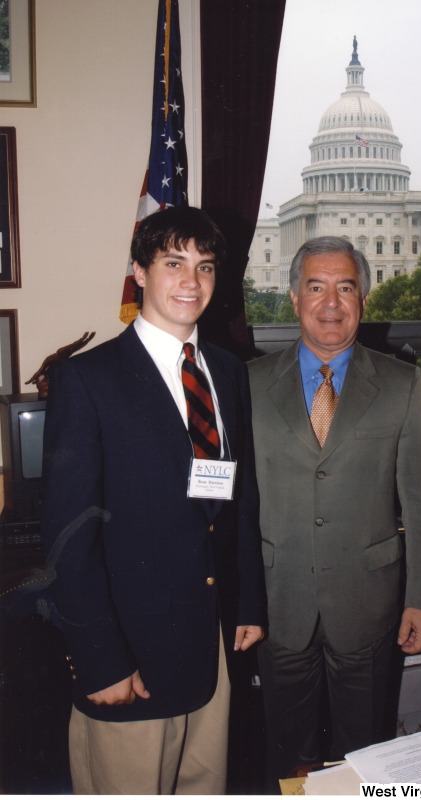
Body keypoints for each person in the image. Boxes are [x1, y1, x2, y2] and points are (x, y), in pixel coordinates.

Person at [41, 206, 266, 794]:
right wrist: (99, 657)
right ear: (139, 271)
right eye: (173, 263)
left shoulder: (227, 372)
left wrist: (248, 604)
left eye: (205, 267)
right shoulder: (87, 380)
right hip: (129, 657)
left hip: (211, 648)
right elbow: (68, 537)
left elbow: (237, 501)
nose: (191, 282)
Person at [248, 236, 421, 787]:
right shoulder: (250, 384)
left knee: (369, 760)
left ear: (363, 298)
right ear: (292, 299)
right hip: (276, 606)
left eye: (345, 287)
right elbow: (237, 507)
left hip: (370, 606)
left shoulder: (403, 385)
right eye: (316, 287)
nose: (330, 303)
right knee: (288, 760)